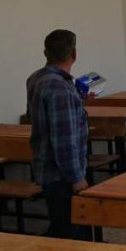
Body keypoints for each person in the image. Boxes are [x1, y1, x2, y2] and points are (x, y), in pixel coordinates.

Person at [27, 29, 91, 239]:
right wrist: (76, 178)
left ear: (45, 53)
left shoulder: (37, 78)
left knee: (62, 224)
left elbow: (43, 117)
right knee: (70, 231)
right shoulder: (60, 88)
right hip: (62, 175)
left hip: (46, 167)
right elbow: (64, 141)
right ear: (74, 54)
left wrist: (77, 100)